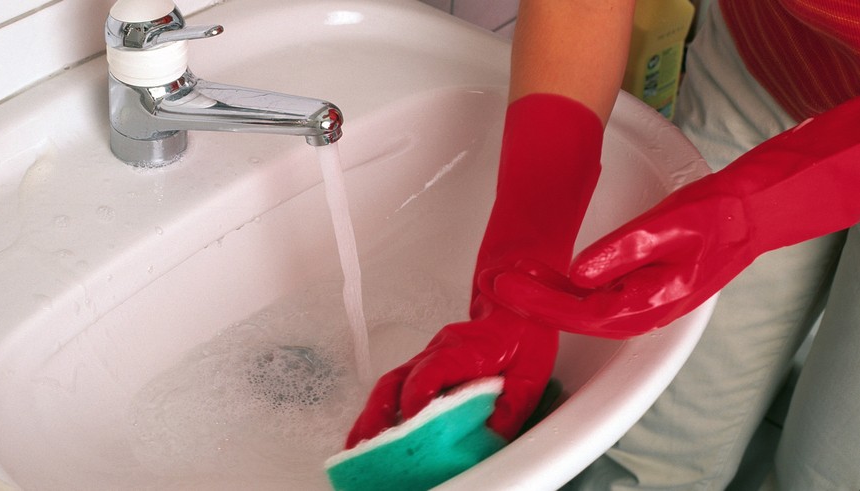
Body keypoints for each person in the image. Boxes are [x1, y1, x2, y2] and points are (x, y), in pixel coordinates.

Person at [348, 0, 860, 489]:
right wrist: (523, 259)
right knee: (656, 444)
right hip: (773, 62)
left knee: (829, 470)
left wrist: (758, 210)